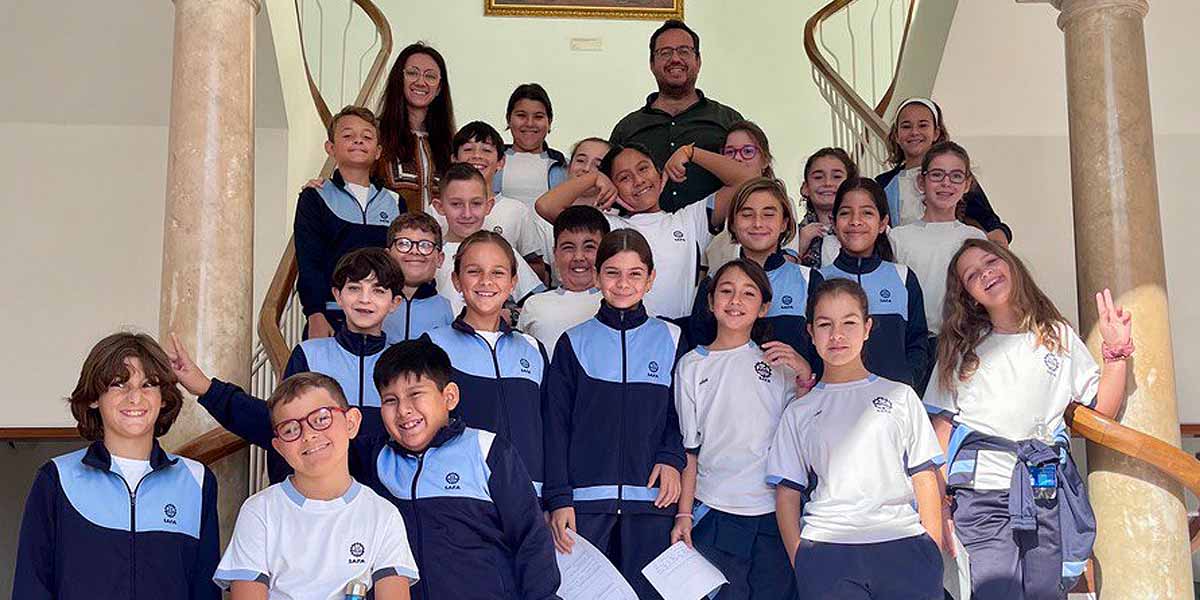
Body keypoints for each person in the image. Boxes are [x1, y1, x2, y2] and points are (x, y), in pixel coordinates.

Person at [170, 338, 561, 600]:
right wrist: (208, 389)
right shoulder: (376, 457)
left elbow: (530, 539)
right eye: (390, 400)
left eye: (416, 396)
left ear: (450, 397)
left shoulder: (487, 450)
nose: (404, 411)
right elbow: (299, 430)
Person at [925, 239, 1132, 600]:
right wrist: (939, 506)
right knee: (995, 590)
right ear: (969, 295)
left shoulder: (1056, 335)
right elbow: (941, 429)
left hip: (1043, 488)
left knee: (1044, 593)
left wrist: (1115, 355)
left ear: (1011, 264)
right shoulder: (961, 349)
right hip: (983, 492)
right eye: (972, 275)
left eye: (990, 262)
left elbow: (1102, 411)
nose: (985, 273)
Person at [768, 279, 945, 600]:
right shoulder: (800, 411)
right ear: (810, 332)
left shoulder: (901, 397)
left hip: (904, 546)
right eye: (825, 324)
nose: (837, 335)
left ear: (867, 328)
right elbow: (787, 492)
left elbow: (925, 477)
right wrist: (803, 559)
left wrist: (930, 548)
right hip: (827, 550)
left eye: (849, 323)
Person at [14, 333, 220, 599]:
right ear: (93, 398)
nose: (135, 398)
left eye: (148, 385)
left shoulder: (197, 481)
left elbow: (205, 590)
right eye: (118, 384)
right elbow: (31, 586)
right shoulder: (56, 479)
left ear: (164, 398)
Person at [544, 228, 686, 600]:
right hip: (586, 507)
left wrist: (671, 458)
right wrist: (560, 499)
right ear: (596, 276)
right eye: (612, 272)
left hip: (652, 504)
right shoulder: (573, 343)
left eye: (635, 273)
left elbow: (682, 413)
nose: (623, 283)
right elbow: (555, 427)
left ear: (651, 278)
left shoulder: (671, 339)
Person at [212, 373, 418, 599]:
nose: (309, 435)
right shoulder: (260, 511)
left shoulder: (382, 515)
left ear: (351, 423)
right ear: (279, 448)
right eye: (290, 429)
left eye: (321, 419)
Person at [672, 259, 807, 599]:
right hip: (715, 509)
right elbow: (689, 450)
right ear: (710, 301)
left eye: (748, 294)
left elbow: (804, 428)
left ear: (763, 308)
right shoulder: (691, 365)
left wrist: (804, 373)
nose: (735, 301)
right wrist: (684, 514)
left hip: (773, 511)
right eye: (726, 291)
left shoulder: (777, 363)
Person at [535, 142, 752, 321]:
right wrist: (593, 178)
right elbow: (546, 206)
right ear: (614, 187)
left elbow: (748, 181)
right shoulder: (608, 226)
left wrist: (691, 152)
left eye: (643, 168)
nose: (638, 181)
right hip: (624, 336)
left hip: (678, 335)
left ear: (659, 172)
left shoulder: (690, 220)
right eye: (624, 178)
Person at [423, 231, 550, 496]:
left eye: (498, 273)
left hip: (529, 494)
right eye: (473, 271)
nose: (486, 282)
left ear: (513, 282)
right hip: (464, 496)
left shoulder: (532, 349)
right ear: (456, 280)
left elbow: (551, 429)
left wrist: (556, 497)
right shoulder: (433, 345)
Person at [271, 248, 404, 483]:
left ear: (394, 303)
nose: (365, 299)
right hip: (318, 492)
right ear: (338, 295)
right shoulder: (309, 355)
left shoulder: (403, 361)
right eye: (354, 288)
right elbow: (287, 426)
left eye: (378, 290)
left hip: (387, 495)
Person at [610, 19, 744, 212]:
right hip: (644, 237)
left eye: (683, 51)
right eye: (665, 52)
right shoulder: (628, 128)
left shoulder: (728, 120)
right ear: (652, 64)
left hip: (718, 236)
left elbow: (751, 177)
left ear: (698, 61)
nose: (675, 59)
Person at [690, 177, 823, 373]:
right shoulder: (715, 282)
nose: (758, 223)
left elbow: (822, 356)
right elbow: (699, 354)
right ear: (733, 223)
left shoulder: (808, 280)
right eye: (746, 214)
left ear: (784, 223)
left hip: (797, 400)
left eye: (768, 214)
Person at [296, 105, 403, 339]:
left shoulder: (395, 202)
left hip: (383, 320)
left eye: (366, 136)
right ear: (331, 148)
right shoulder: (315, 197)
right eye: (347, 136)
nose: (358, 141)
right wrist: (315, 314)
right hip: (331, 318)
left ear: (378, 151)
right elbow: (308, 261)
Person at [888, 141, 986, 394]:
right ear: (921, 183)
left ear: (967, 185)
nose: (946, 183)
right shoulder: (899, 237)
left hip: (962, 344)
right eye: (937, 175)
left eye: (956, 176)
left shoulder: (974, 238)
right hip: (912, 347)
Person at [819, 177, 929, 387]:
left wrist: (908, 381)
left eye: (867, 213)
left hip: (893, 403)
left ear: (882, 223)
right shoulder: (819, 280)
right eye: (845, 213)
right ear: (833, 223)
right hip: (836, 399)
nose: (855, 221)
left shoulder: (903, 277)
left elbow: (918, 341)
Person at [875, 97, 1011, 245]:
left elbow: (989, 220)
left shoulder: (954, 178)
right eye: (906, 126)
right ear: (896, 135)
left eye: (923, 125)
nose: (914, 132)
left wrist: (999, 236)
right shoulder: (884, 184)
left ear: (936, 133)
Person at [432, 163, 545, 316]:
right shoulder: (428, 255)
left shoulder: (502, 251)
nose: (467, 213)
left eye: (476, 203)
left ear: (489, 205)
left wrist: (511, 315)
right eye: (456, 204)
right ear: (439, 207)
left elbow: (538, 305)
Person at [450, 121, 549, 280]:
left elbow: (536, 266)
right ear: (454, 158)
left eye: (487, 150)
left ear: (501, 162)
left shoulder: (516, 210)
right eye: (468, 149)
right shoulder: (437, 210)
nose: (477, 156)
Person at [705, 121, 802, 270]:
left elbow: (788, 261)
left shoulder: (783, 202)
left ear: (765, 160)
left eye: (748, 151)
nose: (738, 158)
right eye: (730, 152)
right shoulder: (715, 203)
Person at [376, 43, 456, 213]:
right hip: (390, 236)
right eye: (412, 73)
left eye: (431, 76)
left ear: (439, 88)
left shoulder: (451, 143)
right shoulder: (376, 134)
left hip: (440, 237)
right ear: (399, 78)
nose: (421, 82)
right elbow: (354, 179)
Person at [518, 205, 609, 353]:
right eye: (568, 247)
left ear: (606, 251)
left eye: (589, 247)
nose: (579, 257)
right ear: (555, 253)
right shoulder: (535, 305)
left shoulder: (616, 304)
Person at [382, 212, 454, 341]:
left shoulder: (452, 309)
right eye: (403, 244)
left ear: (440, 259)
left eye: (425, 245)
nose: (414, 251)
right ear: (387, 256)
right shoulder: (371, 304)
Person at [796, 147, 857, 268]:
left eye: (837, 177)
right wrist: (798, 246)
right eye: (818, 177)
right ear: (805, 188)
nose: (828, 183)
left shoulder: (861, 230)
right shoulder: (792, 236)